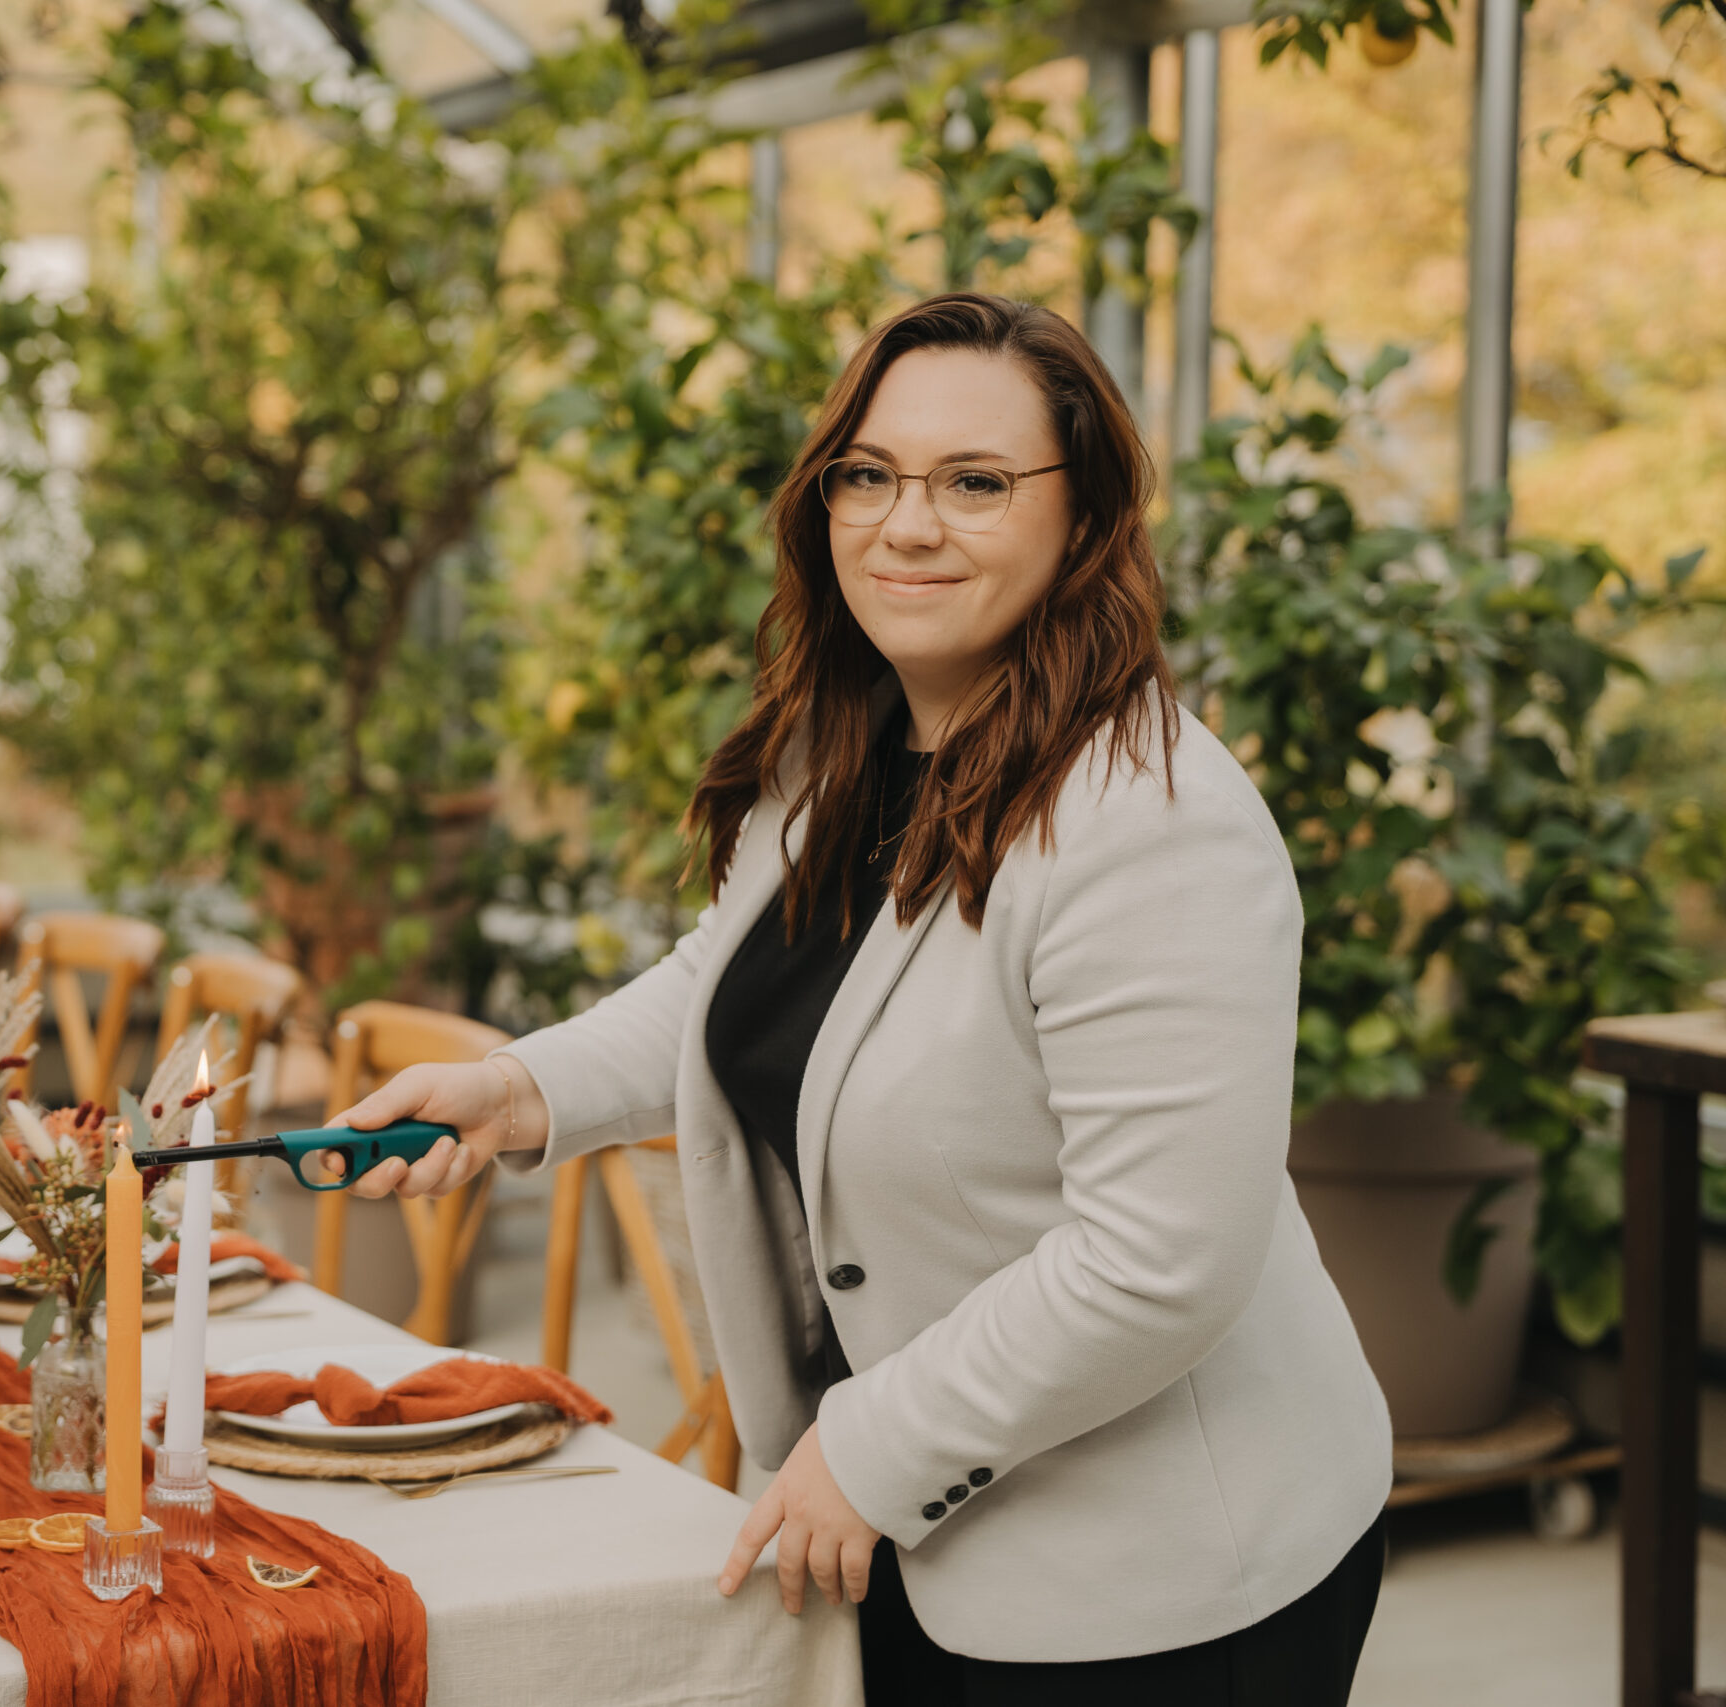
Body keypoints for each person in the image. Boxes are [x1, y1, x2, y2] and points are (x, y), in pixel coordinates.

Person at [332, 293, 1394, 1704]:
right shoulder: (853, 748)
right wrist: (521, 1092)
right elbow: (736, 988)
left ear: (1085, 522)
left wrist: (873, 1446)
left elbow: (1161, 1256)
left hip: (1164, 1583)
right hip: (922, 1529)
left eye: (976, 484)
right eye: (870, 475)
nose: (906, 524)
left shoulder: (1155, 823)